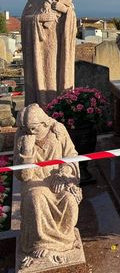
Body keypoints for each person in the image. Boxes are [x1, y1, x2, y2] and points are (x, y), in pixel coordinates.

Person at [14, 104, 82, 268]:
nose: (29, 132)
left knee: (69, 200)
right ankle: (42, 243)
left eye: (33, 128)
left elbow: (71, 155)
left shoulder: (57, 130)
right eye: (25, 128)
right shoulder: (22, 137)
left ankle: (63, 241)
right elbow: (23, 176)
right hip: (34, 181)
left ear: (43, 122)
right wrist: (27, 152)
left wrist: (63, 173)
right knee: (36, 198)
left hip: (57, 178)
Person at [21, 0, 77, 107]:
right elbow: (25, 21)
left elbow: (72, 21)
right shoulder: (33, 2)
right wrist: (39, 18)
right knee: (41, 73)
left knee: (57, 75)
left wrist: (64, 10)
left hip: (58, 46)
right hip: (39, 48)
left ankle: (60, 108)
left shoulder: (63, 0)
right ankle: (41, 105)